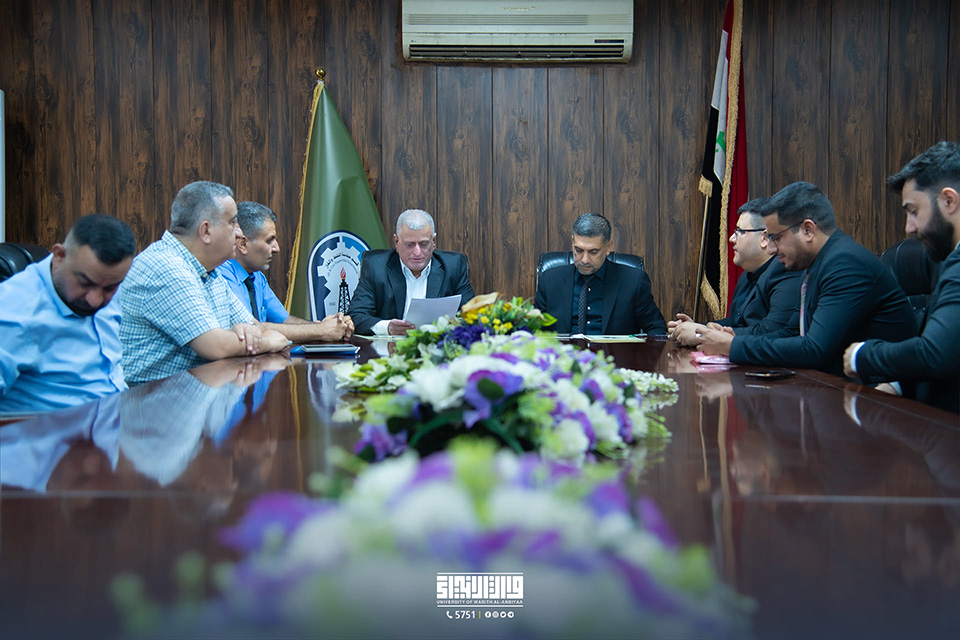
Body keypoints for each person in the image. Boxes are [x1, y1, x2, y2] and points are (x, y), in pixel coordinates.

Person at [699, 181, 917, 377]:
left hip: (882, 393)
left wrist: (733, 347)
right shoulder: (815, 264)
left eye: (776, 237)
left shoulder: (845, 263)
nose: (772, 249)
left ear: (808, 230)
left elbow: (815, 350)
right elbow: (791, 333)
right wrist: (735, 339)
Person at [120, 181, 291, 384]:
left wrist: (247, 334)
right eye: (233, 223)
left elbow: (255, 327)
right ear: (206, 231)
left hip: (195, 393)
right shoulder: (165, 266)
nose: (239, 233)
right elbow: (216, 346)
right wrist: (265, 342)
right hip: (153, 399)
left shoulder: (210, 272)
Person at [843, 141, 960, 413]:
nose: (909, 228)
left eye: (914, 211)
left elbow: (936, 354)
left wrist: (862, 355)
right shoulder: (945, 257)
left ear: (949, 201)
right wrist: (898, 385)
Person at [0, 214, 136, 413]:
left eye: (110, 288)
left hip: (119, 417)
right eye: (85, 283)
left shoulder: (103, 280)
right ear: (59, 256)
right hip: (59, 430)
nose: (95, 300)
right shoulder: (14, 312)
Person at [669, 198, 801, 346]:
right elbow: (735, 323)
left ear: (764, 238)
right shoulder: (747, 274)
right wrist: (696, 327)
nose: (732, 239)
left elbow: (771, 332)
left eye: (740, 232)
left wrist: (701, 333)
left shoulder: (785, 270)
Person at [215, 201, 353, 342]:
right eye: (269, 241)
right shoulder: (221, 274)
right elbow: (250, 328)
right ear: (243, 244)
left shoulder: (257, 276)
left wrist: (330, 326)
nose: (277, 248)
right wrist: (321, 331)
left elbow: (284, 321)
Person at [534, 212, 667, 335]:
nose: (584, 260)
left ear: (608, 247)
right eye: (578, 250)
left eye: (593, 252)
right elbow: (532, 328)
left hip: (614, 353)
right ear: (573, 241)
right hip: (563, 352)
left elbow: (657, 329)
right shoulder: (549, 279)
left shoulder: (633, 281)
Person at [348, 208, 474, 335]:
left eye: (423, 244)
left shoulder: (454, 266)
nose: (417, 252)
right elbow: (355, 316)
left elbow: (473, 315)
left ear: (433, 242)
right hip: (390, 346)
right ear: (396, 242)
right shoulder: (375, 267)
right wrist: (388, 327)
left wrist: (457, 324)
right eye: (410, 244)